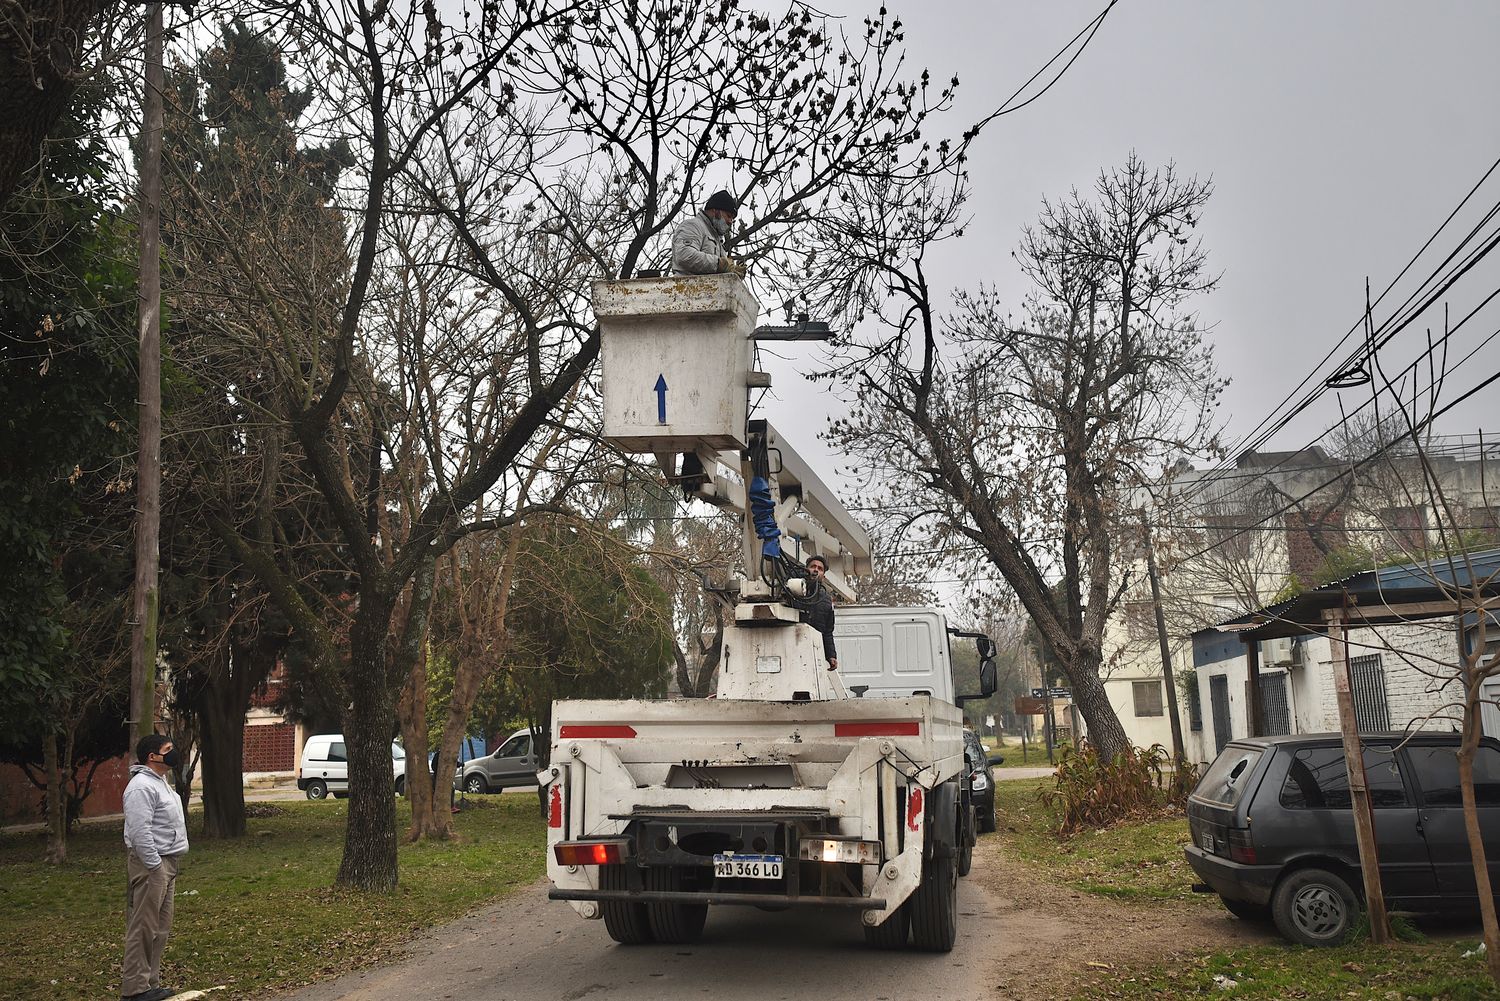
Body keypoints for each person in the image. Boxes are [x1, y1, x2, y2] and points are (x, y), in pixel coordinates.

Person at [121, 733, 188, 1001]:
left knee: (160, 928)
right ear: (152, 756)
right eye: (168, 749)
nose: (174, 753)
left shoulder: (161, 783)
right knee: (143, 927)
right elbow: (139, 832)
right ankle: (134, 990)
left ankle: (150, 984)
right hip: (152, 865)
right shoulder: (140, 787)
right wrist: (154, 865)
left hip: (168, 863)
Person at [671, 189, 744, 276]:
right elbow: (684, 255)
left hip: (706, 288)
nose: (730, 221)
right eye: (728, 216)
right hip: (686, 287)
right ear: (715, 211)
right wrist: (718, 264)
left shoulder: (718, 241)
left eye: (732, 219)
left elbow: (716, 271)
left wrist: (731, 272)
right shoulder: (693, 226)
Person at [800, 554, 838, 671]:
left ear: (824, 576)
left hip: (815, 651)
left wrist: (831, 655)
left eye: (820, 568)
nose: (816, 569)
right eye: (813, 566)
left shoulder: (826, 600)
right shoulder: (794, 591)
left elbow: (827, 631)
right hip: (794, 646)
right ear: (806, 569)